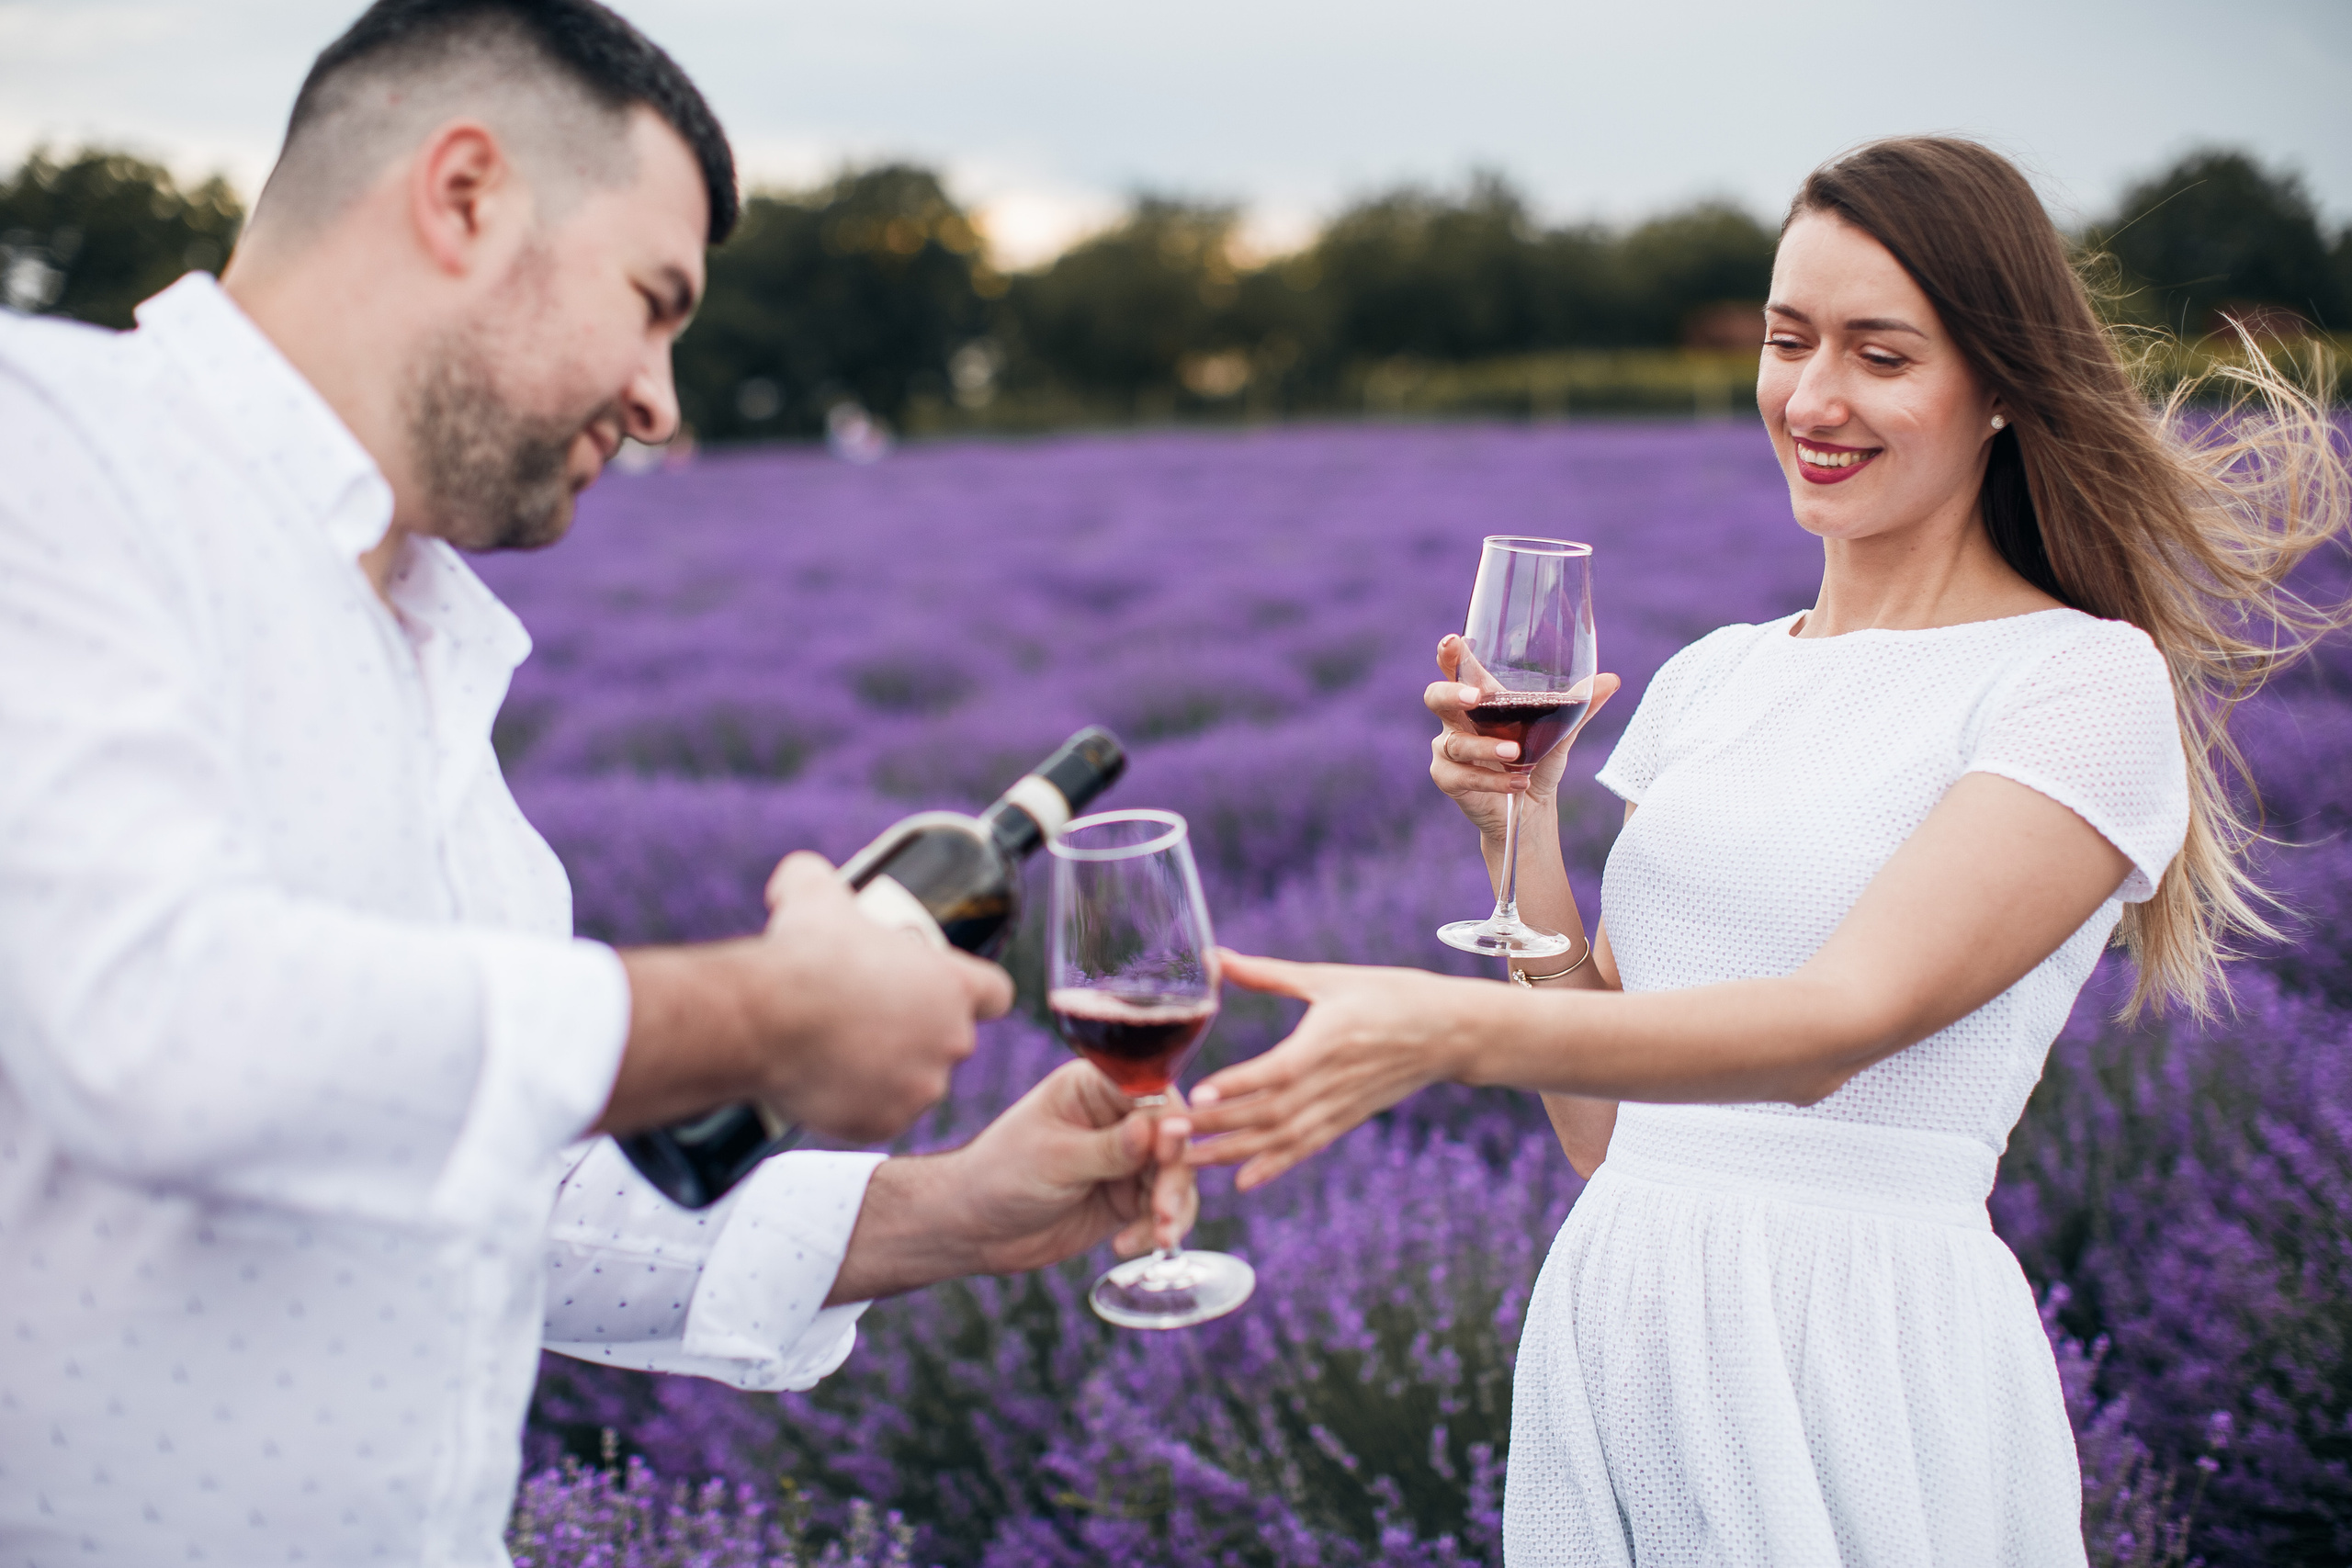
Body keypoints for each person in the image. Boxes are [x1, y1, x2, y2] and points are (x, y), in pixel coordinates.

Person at [0, 4, 1193, 1563]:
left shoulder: (420, 642)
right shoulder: (56, 449)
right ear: (466, 195)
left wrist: (946, 1208)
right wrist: (770, 1013)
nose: (661, 402)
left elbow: (511, 1179)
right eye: (652, 303)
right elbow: (152, 1024)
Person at [1183, 136, 2351, 1564]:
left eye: (1881, 353)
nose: (1813, 396)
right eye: (1789, 339)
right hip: (1627, 1317)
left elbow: (1827, 1034)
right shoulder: (1714, 679)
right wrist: (1523, 835)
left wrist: (1445, 1028)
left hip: (1849, 1348)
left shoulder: (2074, 685)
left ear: (1999, 386)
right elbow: (1612, 1126)